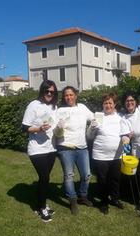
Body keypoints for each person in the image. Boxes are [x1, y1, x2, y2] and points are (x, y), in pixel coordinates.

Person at [21, 80, 58, 223]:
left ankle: (42, 204)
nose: (49, 94)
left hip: (51, 148)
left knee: (45, 178)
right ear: (42, 91)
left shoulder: (54, 107)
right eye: (46, 91)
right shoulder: (33, 105)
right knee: (44, 178)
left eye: (52, 92)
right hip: (37, 149)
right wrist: (38, 129)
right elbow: (25, 127)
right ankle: (41, 207)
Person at [87, 93, 130, 214]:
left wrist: (126, 138)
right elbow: (89, 137)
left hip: (117, 155)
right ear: (103, 104)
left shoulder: (120, 117)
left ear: (114, 104)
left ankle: (115, 199)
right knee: (102, 180)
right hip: (100, 155)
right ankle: (104, 202)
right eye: (106, 103)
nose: (108, 105)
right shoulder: (98, 117)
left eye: (110, 103)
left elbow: (125, 132)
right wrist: (92, 128)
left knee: (115, 179)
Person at [54, 86, 94, 215]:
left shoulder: (82, 108)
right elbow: (55, 131)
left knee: (87, 175)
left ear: (76, 95)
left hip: (82, 147)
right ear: (63, 97)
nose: (69, 97)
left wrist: (96, 123)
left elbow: (94, 118)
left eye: (71, 95)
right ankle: (72, 200)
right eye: (66, 95)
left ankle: (83, 196)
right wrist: (59, 128)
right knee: (69, 175)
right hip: (65, 147)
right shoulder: (59, 110)